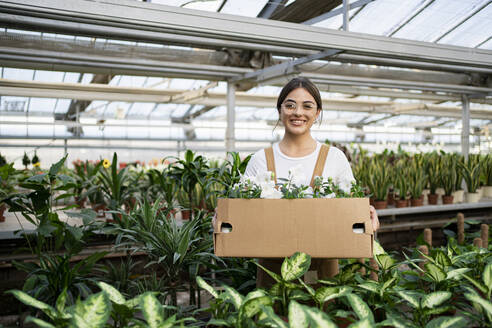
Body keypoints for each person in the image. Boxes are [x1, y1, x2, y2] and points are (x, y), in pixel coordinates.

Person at [243, 77, 380, 287]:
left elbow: (351, 211)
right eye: (290, 105)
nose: (298, 112)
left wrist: (368, 218)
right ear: (280, 110)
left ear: (317, 113)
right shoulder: (260, 160)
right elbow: (245, 214)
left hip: (322, 271)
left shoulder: (334, 158)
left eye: (307, 106)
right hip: (273, 273)